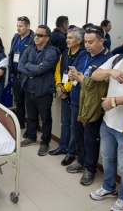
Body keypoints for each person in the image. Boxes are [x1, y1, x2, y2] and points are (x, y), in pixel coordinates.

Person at [89, 25, 123, 211]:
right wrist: (110, 72)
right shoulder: (117, 59)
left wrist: (114, 101)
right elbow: (94, 74)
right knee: (107, 158)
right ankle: (109, 187)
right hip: (108, 122)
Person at [66, 25, 112, 186]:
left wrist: (81, 80)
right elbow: (77, 72)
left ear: (102, 41)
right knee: (78, 134)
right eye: (85, 42)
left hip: (92, 105)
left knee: (90, 137)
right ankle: (81, 161)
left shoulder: (108, 58)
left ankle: (90, 168)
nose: (87, 45)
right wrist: (72, 75)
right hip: (76, 100)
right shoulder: (83, 54)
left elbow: (103, 84)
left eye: (91, 42)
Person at [18, 25, 60, 156]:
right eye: (35, 34)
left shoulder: (52, 52)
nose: (36, 37)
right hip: (28, 88)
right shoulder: (30, 49)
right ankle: (31, 137)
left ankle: (45, 142)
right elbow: (20, 66)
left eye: (40, 35)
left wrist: (29, 66)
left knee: (45, 118)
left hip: (43, 90)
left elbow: (42, 69)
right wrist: (34, 68)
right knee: (31, 116)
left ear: (47, 38)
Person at [49, 27, 84, 166]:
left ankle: (70, 152)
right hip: (63, 93)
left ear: (79, 40)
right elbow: (58, 71)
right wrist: (59, 86)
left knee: (73, 126)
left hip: (74, 95)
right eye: (67, 37)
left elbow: (77, 77)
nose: (67, 40)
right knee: (65, 122)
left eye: (70, 38)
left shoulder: (83, 55)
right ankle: (62, 146)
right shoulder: (65, 52)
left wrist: (64, 89)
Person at [8, 16, 34, 129]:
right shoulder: (15, 37)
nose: (18, 28)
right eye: (17, 26)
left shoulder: (33, 38)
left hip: (27, 76)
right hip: (16, 75)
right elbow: (11, 53)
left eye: (21, 26)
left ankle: (31, 127)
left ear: (28, 26)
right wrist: (11, 70)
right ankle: (20, 123)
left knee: (29, 102)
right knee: (18, 101)